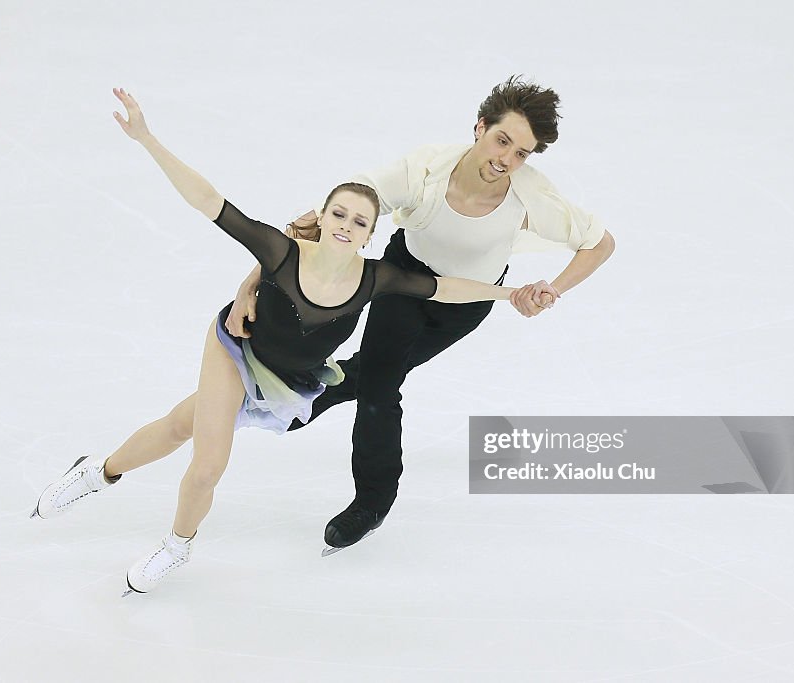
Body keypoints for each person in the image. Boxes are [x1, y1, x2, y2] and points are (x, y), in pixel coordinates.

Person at [30, 88, 534, 595]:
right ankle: (177, 546)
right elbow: (210, 202)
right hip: (235, 352)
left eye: (359, 222)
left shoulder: (375, 279)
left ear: (370, 235)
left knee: (178, 424)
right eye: (338, 215)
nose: (345, 226)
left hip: (287, 386)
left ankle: (99, 471)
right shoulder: (282, 251)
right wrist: (147, 139)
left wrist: (513, 293)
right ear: (322, 216)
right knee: (208, 466)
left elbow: (446, 288)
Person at [225, 75, 615, 551]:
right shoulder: (426, 170)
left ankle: (312, 396)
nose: (506, 159)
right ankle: (372, 502)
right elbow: (314, 225)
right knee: (381, 387)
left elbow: (600, 243)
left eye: (521, 153)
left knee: (373, 373)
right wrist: (250, 285)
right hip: (403, 281)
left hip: (466, 304)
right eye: (502, 140)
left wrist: (552, 289)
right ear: (479, 127)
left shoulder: (529, 196)